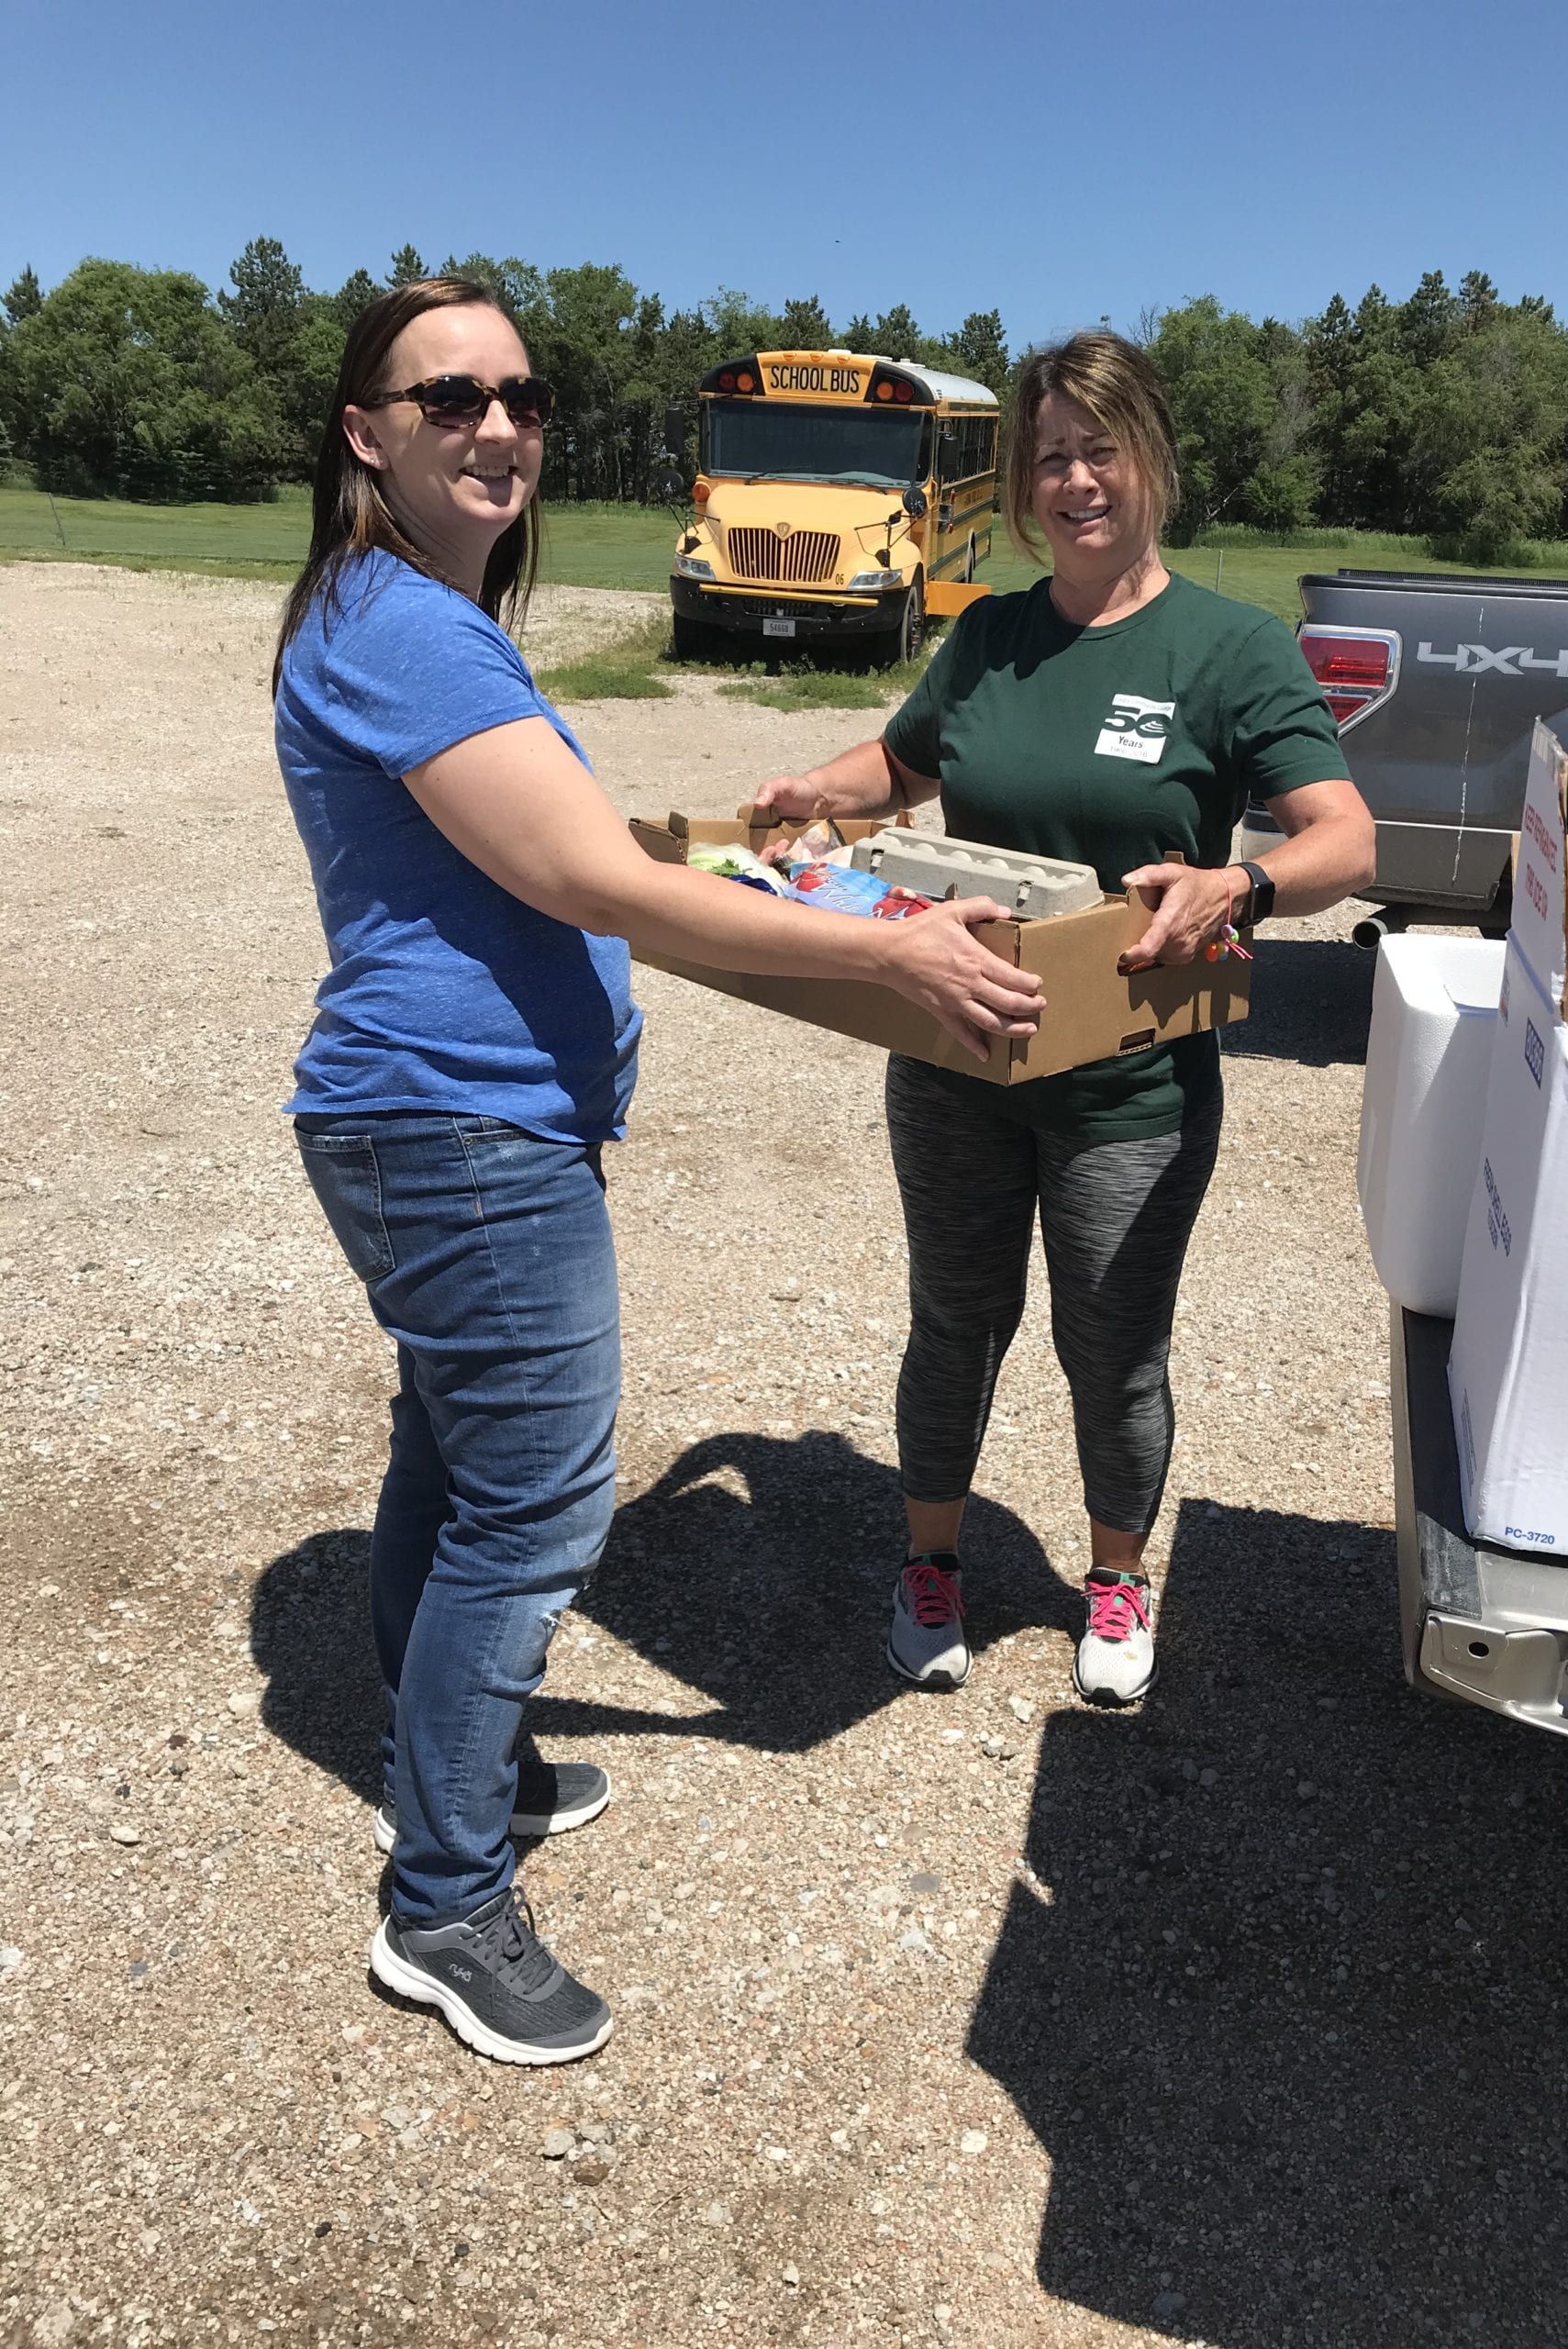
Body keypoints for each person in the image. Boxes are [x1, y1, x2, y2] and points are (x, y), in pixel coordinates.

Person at [272, 277, 1044, 2066]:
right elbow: (589, 879)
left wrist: (788, 885)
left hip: (450, 1122)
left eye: (521, 396)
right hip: (460, 1133)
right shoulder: (401, 625)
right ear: (364, 430)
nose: (496, 424)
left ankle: (451, 1761)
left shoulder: (408, 616)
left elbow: (596, 864)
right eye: (446, 394)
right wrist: (893, 955)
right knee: (533, 1510)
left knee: (453, 1465)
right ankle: (444, 1898)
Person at [754, 330, 1374, 1709]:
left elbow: (1345, 839)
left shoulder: (1231, 647)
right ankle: (931, 1563)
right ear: (1027, 486)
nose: (1077, 480)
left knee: (1113, 1340)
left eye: (1101, 449)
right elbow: (905, 765)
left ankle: (1113, 1576)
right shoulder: (989, 634)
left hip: (1131, 1092)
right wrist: (820, 786)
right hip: (957, 1056)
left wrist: (1244, 881)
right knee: (954, 1321)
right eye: (1051, 458)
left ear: (1151, 458)